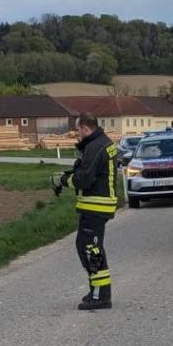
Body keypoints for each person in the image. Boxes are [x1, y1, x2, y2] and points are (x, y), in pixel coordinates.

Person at [57, 112, 119, 310]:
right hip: (98, 204)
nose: (76, 134)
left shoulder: (95, 147)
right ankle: (96, 290)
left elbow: (84, 178)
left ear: (85, 128)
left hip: (96, 205)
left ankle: (101, 295)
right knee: (87, 247)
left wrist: (62, 180)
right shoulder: (101, 143)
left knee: (92, 250)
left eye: (77, 130)